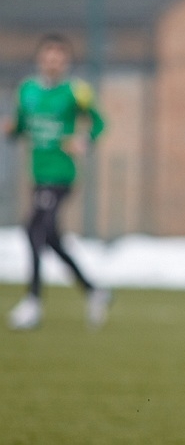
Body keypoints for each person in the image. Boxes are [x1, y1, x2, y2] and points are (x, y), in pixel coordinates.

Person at [5, 33, 111, 331]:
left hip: (61, 175)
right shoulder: (27, 90)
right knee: (49, 237)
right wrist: (10, 129)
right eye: (48, 56)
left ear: (66, 62)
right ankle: (94, 291)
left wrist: (84, 141)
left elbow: (100, 123)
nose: (53, 62)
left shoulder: (76, 92)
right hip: (37, 175)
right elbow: (21, 128)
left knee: (34, 229)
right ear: (40, 59)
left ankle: (33, 302)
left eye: (59, 57)